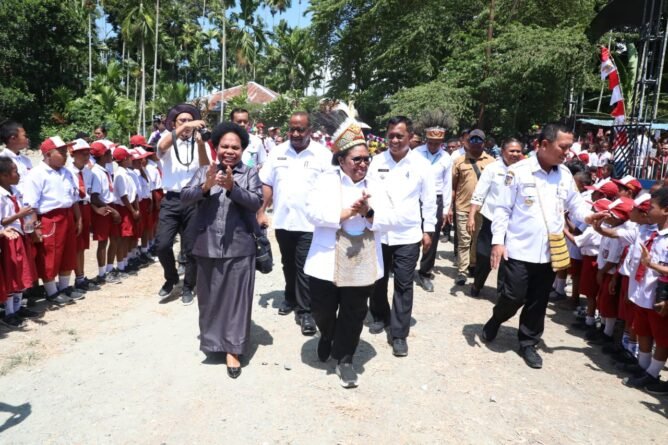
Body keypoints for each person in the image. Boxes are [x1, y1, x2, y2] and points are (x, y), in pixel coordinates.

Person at [481, 123, 605, 369]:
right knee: (513, 296)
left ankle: (528, 342)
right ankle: (497, 319)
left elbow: (575, 205)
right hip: (518, 248)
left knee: (538, 301)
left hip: (549, 252)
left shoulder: (565, 175)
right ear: (545, 144)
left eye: (569, 147)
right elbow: (502, 210)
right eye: (563, 147)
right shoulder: (518, 172)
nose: (567, 153)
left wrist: (589, 217)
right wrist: (498, 242)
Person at [304, 111, 389, 387]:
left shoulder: (377, 183)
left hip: (362, 260)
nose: (363, 164)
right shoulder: (325, 180)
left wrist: (368, 212)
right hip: (327, 259)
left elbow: (392, 218)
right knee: (323, 310)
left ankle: (345, 359)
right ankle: (327, 334)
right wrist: (345, 213)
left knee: (354, 312)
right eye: (357, 159)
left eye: (367, 159)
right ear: (341, 160)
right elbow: (312, 212)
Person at [181, 122, 262, 379]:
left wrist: (232, 188)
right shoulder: (205, 171)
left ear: (243, 150)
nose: (229, 151)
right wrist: (205, 186)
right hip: (206, 245)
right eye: (224, 146)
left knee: (237, 300)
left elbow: (256, 202)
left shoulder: (249, 174)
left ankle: (233, 349)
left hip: (240, 246)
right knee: (209, 298)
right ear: (215, 147)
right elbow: (185, 197)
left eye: (235, 147)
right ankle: (214, 343)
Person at [366, 116, 436, 357]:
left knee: (404, 284)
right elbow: (369, 193)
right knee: (377, 278)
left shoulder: (421, 165)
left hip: (407, 233)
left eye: (400, 136)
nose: (394, 140)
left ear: (410, 137)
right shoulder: (376, 162)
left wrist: (429, 230)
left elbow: (429, 200)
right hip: (379, 231)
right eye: (391, 136)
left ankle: (399, 334)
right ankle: (378, 315)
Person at [257, 112, 332, 335]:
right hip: (283, 220)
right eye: (292, 129)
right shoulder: (278, 152)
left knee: (303, 266)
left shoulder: (323, 155)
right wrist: (261, 211)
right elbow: (267, 182)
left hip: (310, 224)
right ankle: (290, 297)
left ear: (310, 130)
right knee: (288, 264)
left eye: (301, 129)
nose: (296, 134)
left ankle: (305, 311)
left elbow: (330, 187)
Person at [155, 103, 211, 305]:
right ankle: (171, 279)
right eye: (182, 121)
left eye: (190, 120)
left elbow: (206, 166)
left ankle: (188, 286)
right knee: (162, 244)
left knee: (191, 248)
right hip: (171, 198)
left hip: (194, 198)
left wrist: (201, 144)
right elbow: (160, 148)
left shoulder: (199, 141)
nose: (187, 124)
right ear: (174, 123)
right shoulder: (169, 140)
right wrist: (183, 129)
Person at [23, 136, 84, 305]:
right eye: (62, 152)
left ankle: (64, 287)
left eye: (66, 151)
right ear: (48, 154)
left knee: (67, 253)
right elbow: (30, 204)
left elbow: (73, 198)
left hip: (67, 215)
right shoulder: (36, 174)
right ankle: (52, 291)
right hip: (50, 218)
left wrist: (78, 219)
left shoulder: (66, 172)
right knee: (50, 255)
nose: (66, 155)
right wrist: (35, 227)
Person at [467, 138, 523, 296]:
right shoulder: (492, 168)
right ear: (503, 151)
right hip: (490, 219)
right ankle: (478, 284)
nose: (515, 154)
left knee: (507, 259)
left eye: (518, 151)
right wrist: (472, 216)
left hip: (512, 223)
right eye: (512, 151)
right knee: (484, 256)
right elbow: (479, 193)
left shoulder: (524, 170)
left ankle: (502, 293)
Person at [449, 129, 495, 286]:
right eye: (472, 140)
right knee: (464, 240)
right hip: (462, 207)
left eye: (479, 140)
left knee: (476, 240)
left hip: (483, 209)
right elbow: (453, 187)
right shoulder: (459, 162)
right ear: (467, 142)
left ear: (484, 142)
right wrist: (450, 208)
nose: (475, 143)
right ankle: (462, 271)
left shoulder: (491, 162)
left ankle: (473, 265)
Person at [0, 158, 40, 328]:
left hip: (21, 235)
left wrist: (30, 222)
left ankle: (17, 308)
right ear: (3, 175)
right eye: (15, 171)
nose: (18, 174)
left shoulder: (16, 191)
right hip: (8, 239)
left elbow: (25, 210)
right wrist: (19, 215)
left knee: (22, 273)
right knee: (11, 274)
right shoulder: (1, 196)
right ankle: (9, 313)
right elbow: (2, 221)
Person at [414, 126, 452, 292]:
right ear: (425, 140)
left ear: (441, 142)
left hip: (436, 199)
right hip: (416, 198)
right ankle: (406, 267)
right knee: (412, 233)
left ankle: (425, 272)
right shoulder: (415, 154)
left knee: (432, 236)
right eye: (430, 142)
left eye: (437, 143)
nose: (433, 146)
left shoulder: (446, 158)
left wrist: (446, 209)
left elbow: (447, 184)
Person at [66, 139, 100, 293]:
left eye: (88, 153)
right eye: (82, 153)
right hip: (75, 207)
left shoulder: (88, 171)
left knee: (82, 246)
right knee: (74, 246)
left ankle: (80, 277)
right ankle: (73, 278)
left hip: (85, 207)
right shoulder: (67, 171)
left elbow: (90, 193)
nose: (86, 156)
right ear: (73, 154)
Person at [88, 140, 122, 284]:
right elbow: (94, 196)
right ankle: (102, 273)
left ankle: (109, 268)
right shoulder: (96, 172)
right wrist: (112, 210)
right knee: (103, 242)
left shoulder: (105, 170)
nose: (110, 155)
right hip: (104, 209)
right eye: (108, 153)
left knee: (114, 239)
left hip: (110, 205)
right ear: (102, 156)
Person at [0, 120, 32, 189]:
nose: (27, 139)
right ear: (13, 138)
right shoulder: (2, 161)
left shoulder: (26, 160)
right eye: (25, 136)